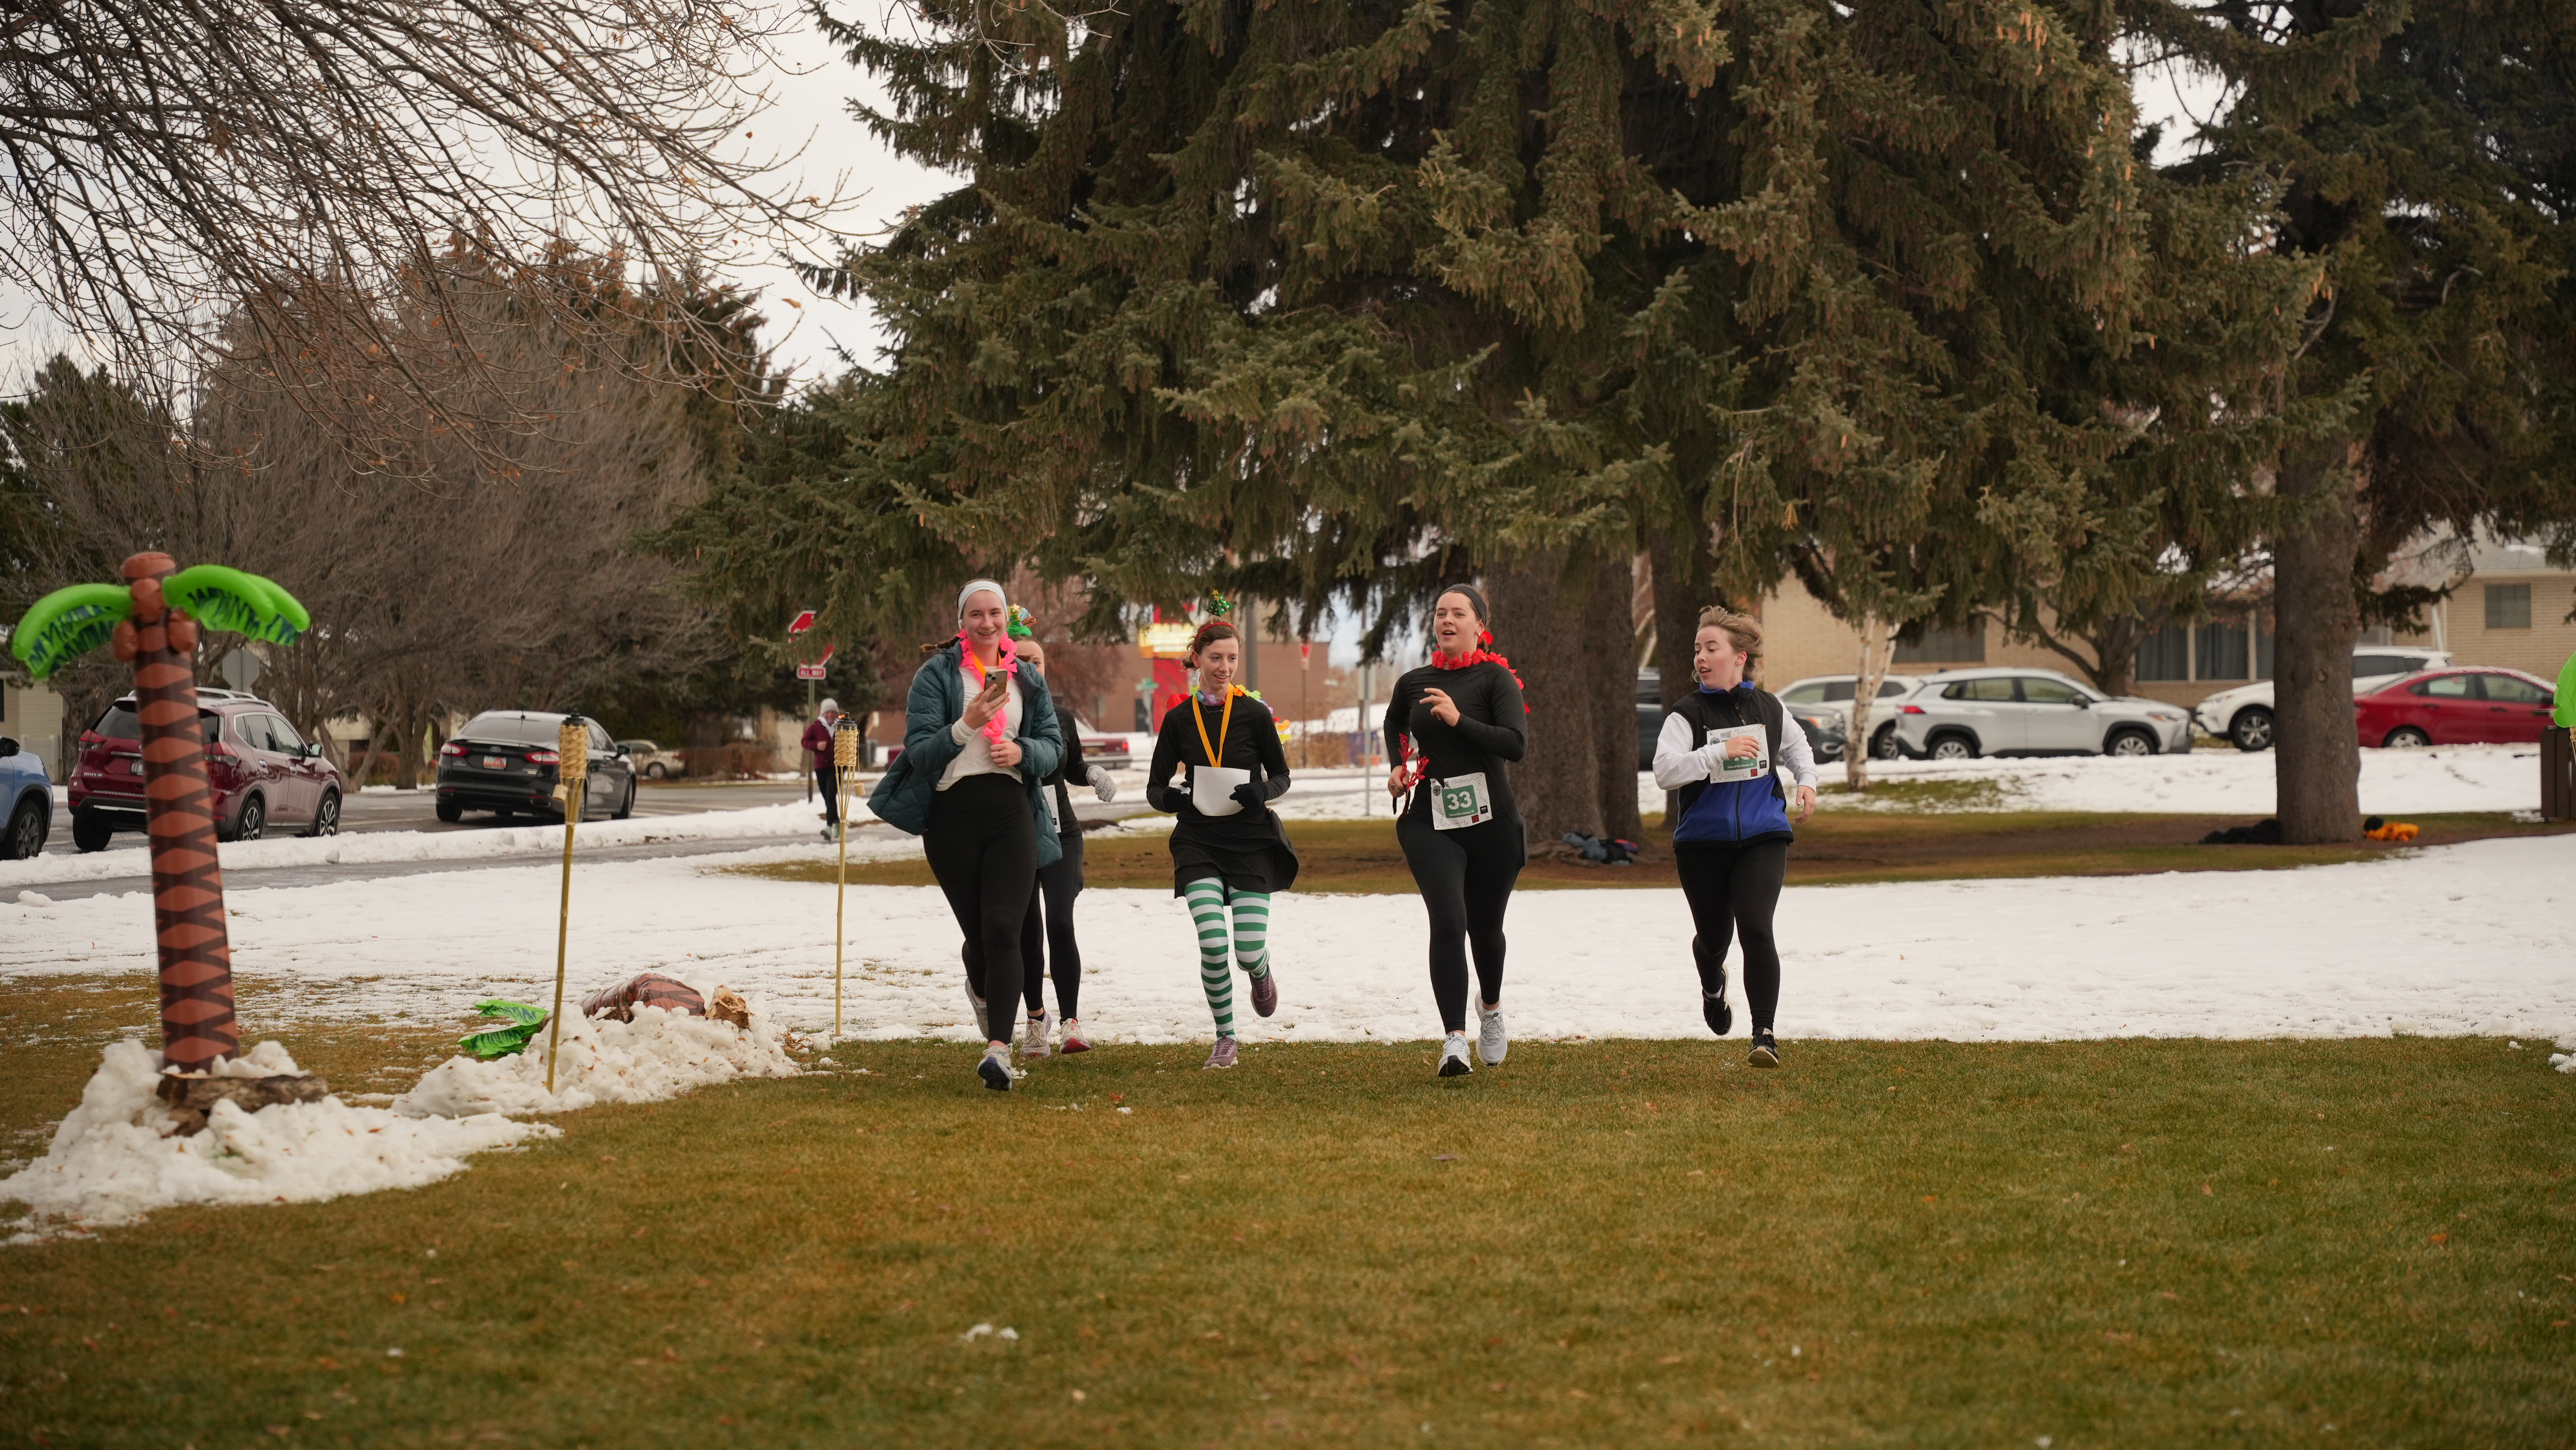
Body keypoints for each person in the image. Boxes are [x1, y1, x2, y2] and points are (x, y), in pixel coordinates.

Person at [865, 580, 1066, 1092]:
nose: (987, 622)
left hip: (1010, 814)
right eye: (976, 614)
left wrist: (1023, 754)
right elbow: (919, 751)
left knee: (1004, 929)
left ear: (1005, 618)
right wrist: (965, 726)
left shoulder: (1025, 677)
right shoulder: (937, 675)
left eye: (994, 612)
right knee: (980, 939)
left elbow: (1054, 746)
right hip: (952, 817)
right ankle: (980, 987)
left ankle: (999, 1051)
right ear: (963, 620)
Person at [1649, 606, 1817, 1068]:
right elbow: (1664, 771)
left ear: (1740, 657)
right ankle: (1712, 985)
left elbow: (1798, 746)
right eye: (1698, 650)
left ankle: (1764, 1034)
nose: (1701, 657)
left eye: (1712, 648)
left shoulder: (1769, 706)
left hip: (1764, 836)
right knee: (1714, 938)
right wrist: (1716, 752)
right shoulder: (1687, 714)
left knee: (1757, 928)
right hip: (1703, 845)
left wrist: (1807, 781)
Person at [1144, 603, 1298, 1069]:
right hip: (1198, 841)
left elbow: (1283, 776)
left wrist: (1261, 791)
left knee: (1246, 949)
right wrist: (1176, 800)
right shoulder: (1178, 720)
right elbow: (1155, 788)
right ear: (1197, 659)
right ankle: (1226, 1036)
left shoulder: (1253, 714)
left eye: (1232, 659)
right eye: (1216, 658)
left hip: (1251, 840)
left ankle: (1262, 969)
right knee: (1212, 942)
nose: (1225, 668)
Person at [1383, 585, 1527, 1079]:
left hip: (1494, 826)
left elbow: (1515, 745)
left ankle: (1490, 1008)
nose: (1447, 620)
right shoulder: (1414, 682)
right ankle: (1454, 1039)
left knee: (1486, 932)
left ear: (1478, 625)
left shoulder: (1495, 679)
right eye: (1440, 612)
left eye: (1458, 613)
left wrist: (1459, 719)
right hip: (1431, 822)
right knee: (1448, 921)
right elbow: (1395, 725)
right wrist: (1399, 765)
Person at [1009, 622, 1119, 1059]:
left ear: (1045, 666)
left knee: (1060, 922)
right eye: (1018, 661)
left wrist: (1092, 773)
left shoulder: (1062, 716)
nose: (1028, 667)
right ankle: (1036, 1023)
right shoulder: (996, 716)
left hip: (1062, 833)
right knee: (1025, 933)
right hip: (1015, 837)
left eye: (1035, 660)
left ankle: (1071, 1023)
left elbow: (1071, 765)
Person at [802, 699, 847, 842]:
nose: (830, 715)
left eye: (833, 713)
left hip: (837, 767)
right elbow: (805, 741)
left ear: (837, 713)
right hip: (821, 767)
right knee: (827, 796)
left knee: (830, 795)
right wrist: (816, 745)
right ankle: (836, 822)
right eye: (827, 713)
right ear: (823, 713)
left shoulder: (842, 726)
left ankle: (829, 827)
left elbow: (852, 743)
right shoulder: (817, 726)